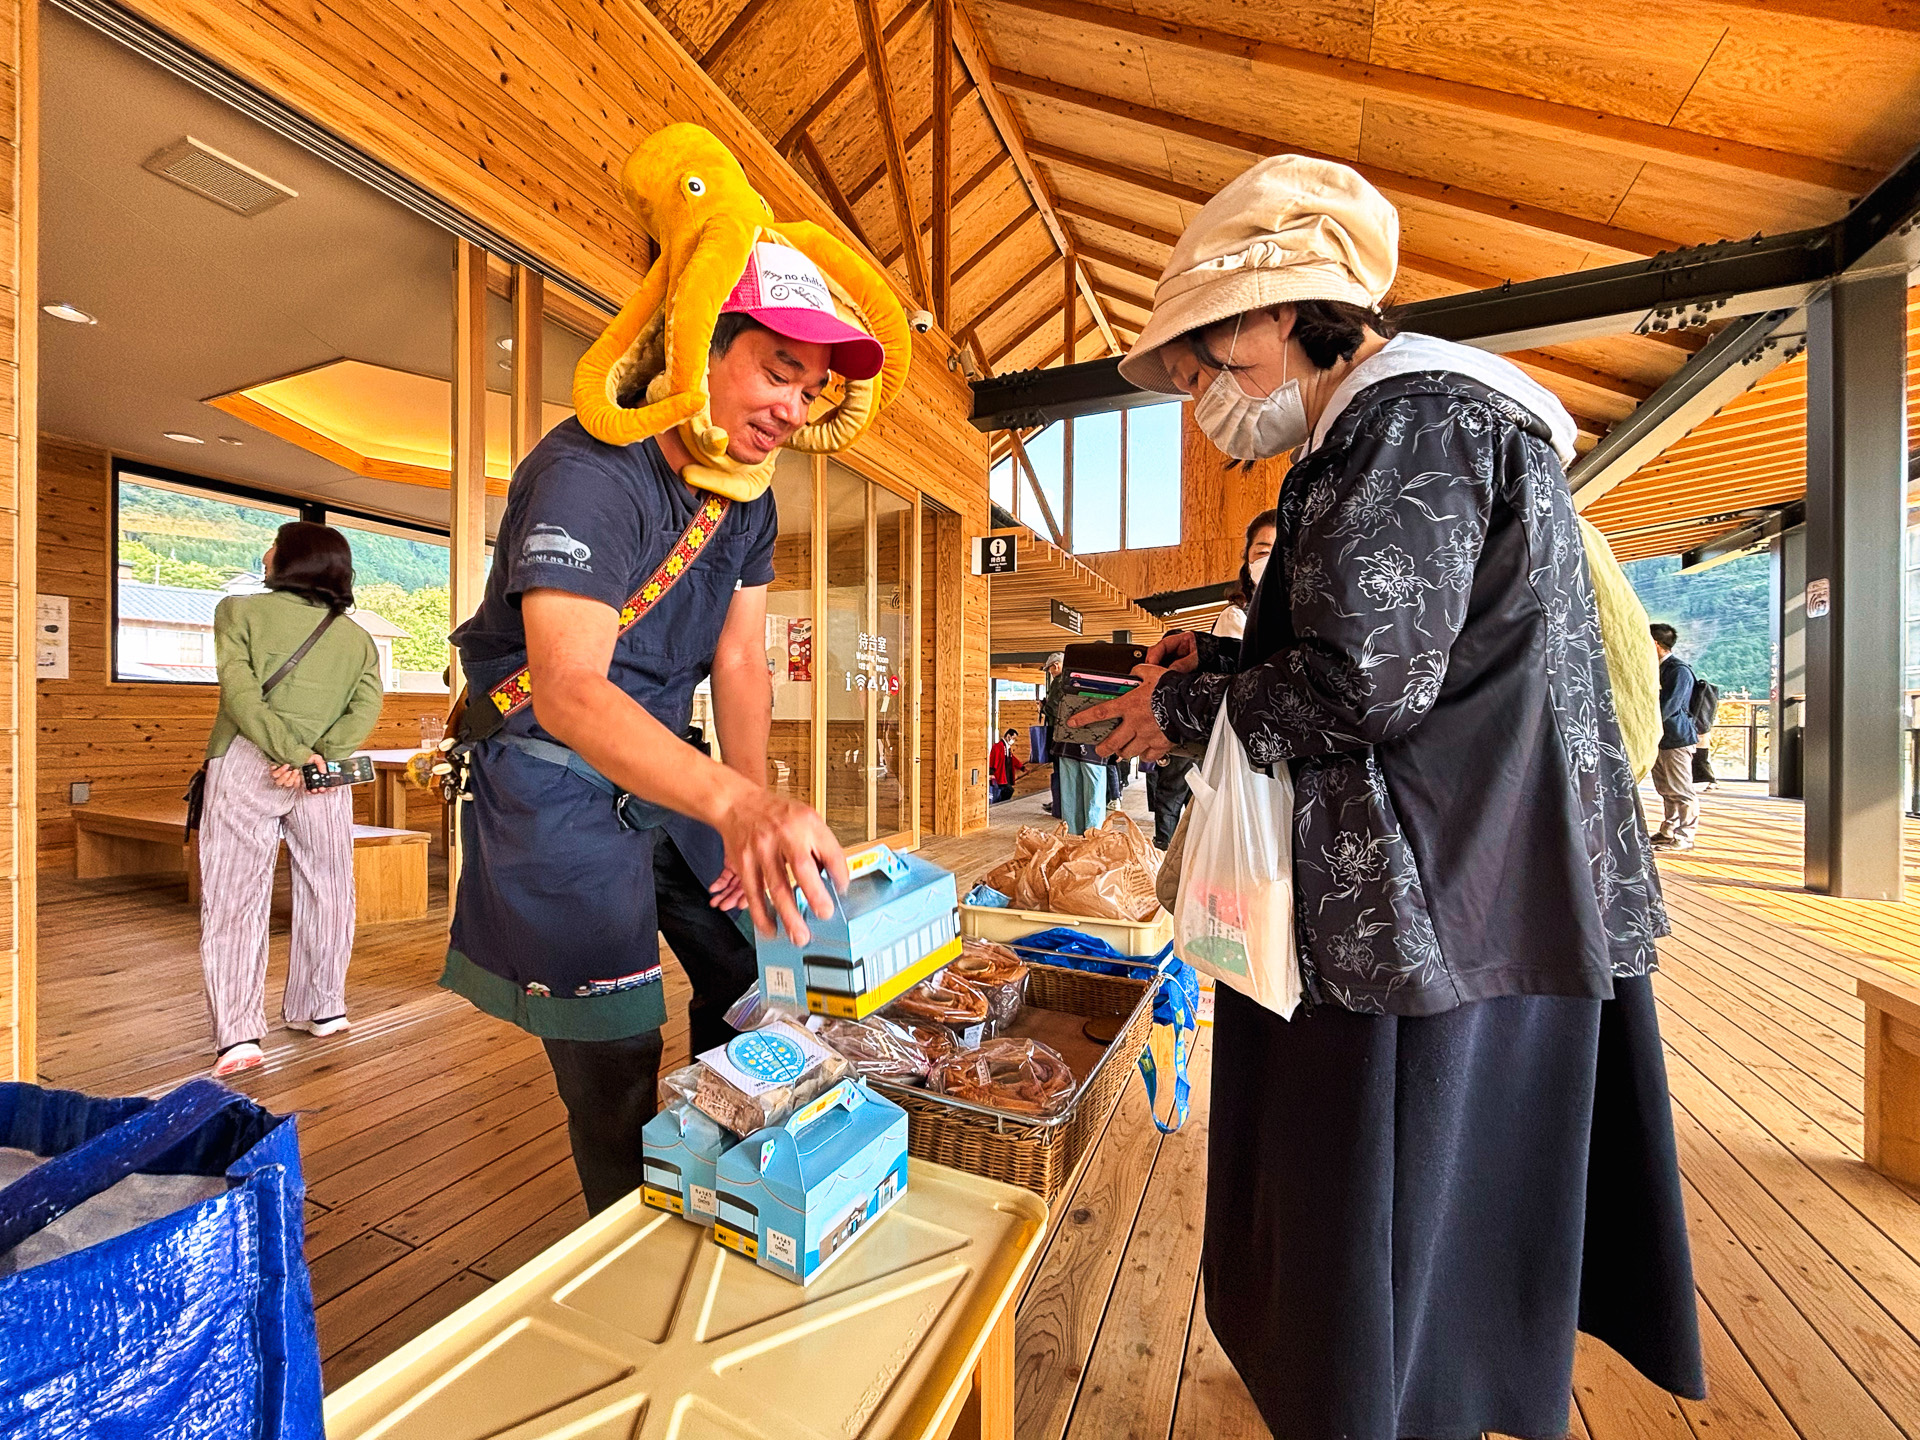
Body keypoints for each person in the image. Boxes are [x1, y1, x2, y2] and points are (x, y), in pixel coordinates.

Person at [1075, 155, 1702, 1440]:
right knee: (1461, 1218)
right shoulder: (1445, 419)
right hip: (1491, 884)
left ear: (1283, 310)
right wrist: (1238, 662)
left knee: (1387, 1214)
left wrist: (1191, 707)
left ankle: (1378, 1413)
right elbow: (1419, 653)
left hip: (1420, 906)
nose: (1204, 391)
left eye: (1208, 357)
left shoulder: (1405, 418)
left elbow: (1369, 685)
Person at [443, 244, 886, 1214]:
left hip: (665, 759)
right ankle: (625, 1239)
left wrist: (749, 805)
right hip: (551, 762)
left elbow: (736, 659)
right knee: (615, 1048)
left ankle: (726, 1191)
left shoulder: (750, 497)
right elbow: (566, 689)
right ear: (696, 355)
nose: (794, 407)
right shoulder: (589, 472)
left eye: (811, 390)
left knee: (752, 963)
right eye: (777, 371)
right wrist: (735, 801)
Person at [199, 522, 383, 1079]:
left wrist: (291, 753)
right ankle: (322, 1008)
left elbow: (240, 694)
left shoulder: (238, 610)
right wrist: (317, 758)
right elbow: (365, 707)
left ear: (290, 559)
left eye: (274, 543)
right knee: (329, 887)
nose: (266, 551)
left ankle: (238, 1036)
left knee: (235, 893)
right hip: (324, 775)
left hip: (248, 761)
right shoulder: (359, 638)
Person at [1040, 651, 1106, 834]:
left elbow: (1053, 708)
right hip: (1093, 742)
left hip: (1066, 740)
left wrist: (1045, 709)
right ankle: (1092, 835)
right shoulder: (1102, 681)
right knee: (1094, 790)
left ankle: (1072, 835)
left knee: (1070, 790)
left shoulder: (1063, 681)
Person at [1651, 623, 1701, 849]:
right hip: (1662, 738)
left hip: (1676, 738)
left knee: (1681, 789)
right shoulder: (1660, 668)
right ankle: (1668, 830)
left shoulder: (1678, 670)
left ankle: (1685, 836)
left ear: (1655, 644)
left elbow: (1669, 705)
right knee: (1666, 788)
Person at [1211, 509, 1276, 641]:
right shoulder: (1235, 618)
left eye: (1281, 553)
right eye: (1263, 552)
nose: (1271, 561)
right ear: (1247, 558)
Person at [988, 727, 1023, 802]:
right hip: (999, 775)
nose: (1014, 741)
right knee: (1008, 790)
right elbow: (993, 760)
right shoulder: (998, 746)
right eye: (1013, 738)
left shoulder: (1007, 748)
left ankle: (1001, 803)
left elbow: (1013, 759)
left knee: (1007, 790)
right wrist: (991, 773)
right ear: (1008, 736)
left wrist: (1022, 767)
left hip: (1005, 776)